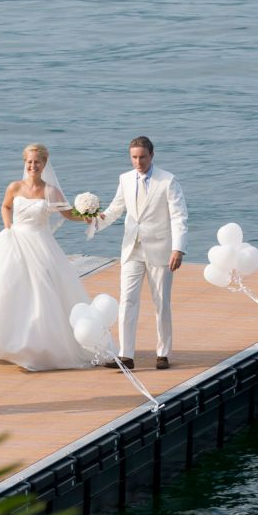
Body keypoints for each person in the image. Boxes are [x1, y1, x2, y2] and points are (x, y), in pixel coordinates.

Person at [0, 143, 95, 371]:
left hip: (40, 243)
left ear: (44, 164)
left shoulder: (51, 191)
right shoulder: (14, 187)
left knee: (41, 293)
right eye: (29, 162)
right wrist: (8, 227)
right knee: (3, 289)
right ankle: (3, 342)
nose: (33, 166)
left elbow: (68, 214)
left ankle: (35, 348)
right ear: (25, 163)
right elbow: (5, 206)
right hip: (14, 240)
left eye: (37, 162)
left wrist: (87, 216)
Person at [94, 136, 188, 369]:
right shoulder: (125, 179)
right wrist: (93, 219)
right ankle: (126, 355)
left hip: (160, 249)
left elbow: (179, 217)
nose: (138, 162)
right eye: (134, 157)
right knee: (127, 300)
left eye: (142, 157)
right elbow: (115, 209)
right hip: (132, 248)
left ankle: (163, 353)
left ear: (152, 156)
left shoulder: (168, 181)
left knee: (161, 303)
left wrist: (178, 248)